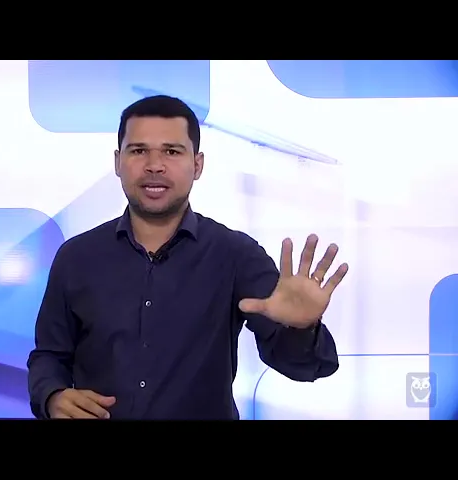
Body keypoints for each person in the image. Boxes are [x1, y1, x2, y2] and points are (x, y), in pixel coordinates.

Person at [27, 95, 348, 420]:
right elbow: (49, 356)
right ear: (117, 162)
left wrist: (302, 328)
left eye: (171, 151)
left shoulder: (236, 255)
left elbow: (306, 366)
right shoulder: (77, 257)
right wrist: (52, 396)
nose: (154, 165)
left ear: (197, 165)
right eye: (138, 151)